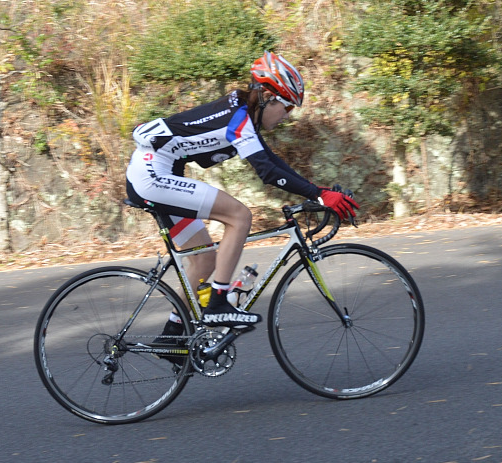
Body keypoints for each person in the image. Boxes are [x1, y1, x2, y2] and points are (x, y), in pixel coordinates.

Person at [126, 51, 358, 335]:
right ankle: (219, 303)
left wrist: (318, 192)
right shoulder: (239, 120)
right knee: (239, 216)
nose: (287, 116)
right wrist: (319, 196)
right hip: (153, 175)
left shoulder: (242, 113)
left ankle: (172, 334)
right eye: (287, 108)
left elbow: (272, 161)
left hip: (159, 173)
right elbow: (268, 173)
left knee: (205, 260)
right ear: (268, 96)